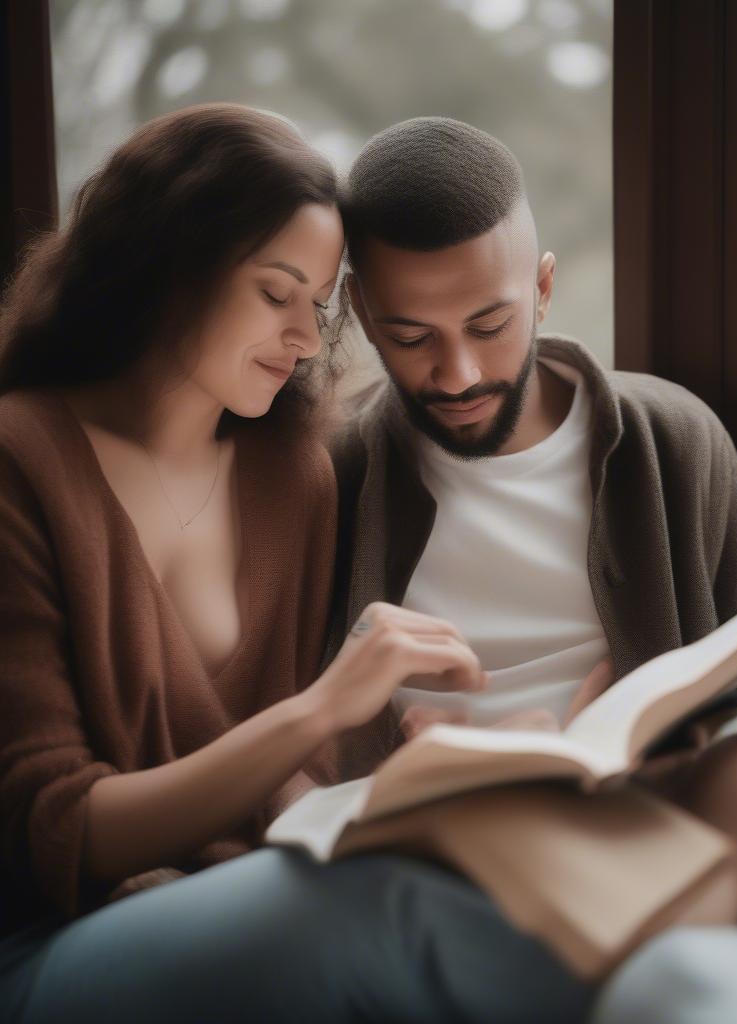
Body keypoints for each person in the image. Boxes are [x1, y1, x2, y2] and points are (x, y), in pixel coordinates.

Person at [328, 117, 737, 1021]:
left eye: (489, 323)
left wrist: (661, 746)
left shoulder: (672, 436)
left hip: (666, 809)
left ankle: (672, 924)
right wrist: (414, 776)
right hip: (457, 855)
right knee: (690, 982)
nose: (457, 373)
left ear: (542, 290)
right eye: (410, 335)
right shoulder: (337, 476)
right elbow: (290, 732)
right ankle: (695, 944)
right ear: (358, 313)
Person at [0, 104, 592, 1024]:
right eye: (276, 295)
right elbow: (58, 833)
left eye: (317, 307)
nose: (309, 341)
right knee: (378, 916)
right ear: (166, 266)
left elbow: (275, 788)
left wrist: (411, 787)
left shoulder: (291, 476)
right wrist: (321, 708)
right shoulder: (19, 462)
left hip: (235, 903)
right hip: (50, 940)